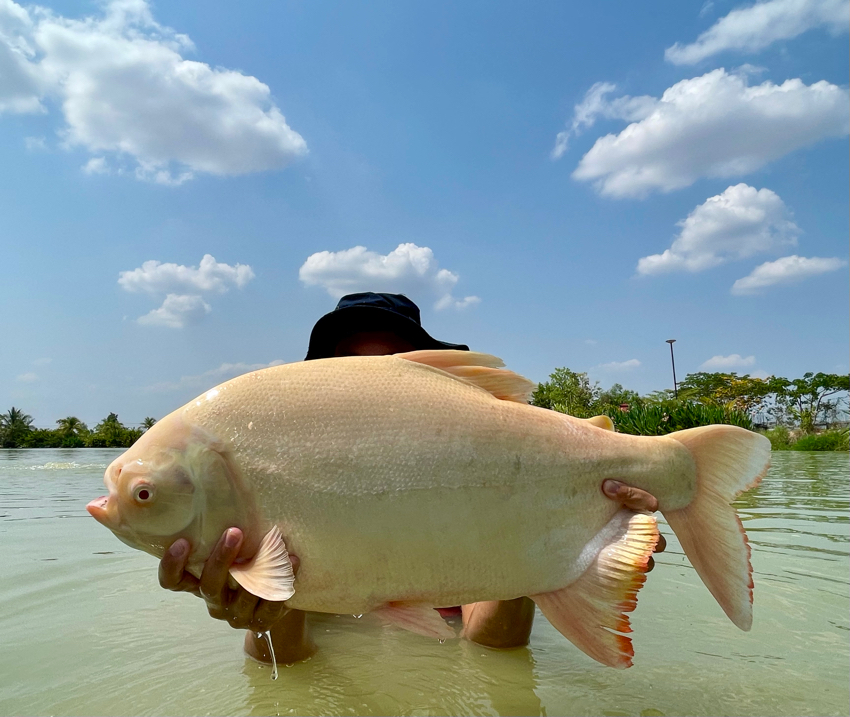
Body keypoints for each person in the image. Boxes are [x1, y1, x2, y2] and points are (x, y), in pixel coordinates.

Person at [159, 292, 665, 664]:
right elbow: (283, 669)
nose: (375, 397)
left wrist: (561, 541)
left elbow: (493, 649)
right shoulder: (278, 492)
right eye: (351, 375)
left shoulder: (463, 495)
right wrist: (265, 603)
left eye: (392, 373)